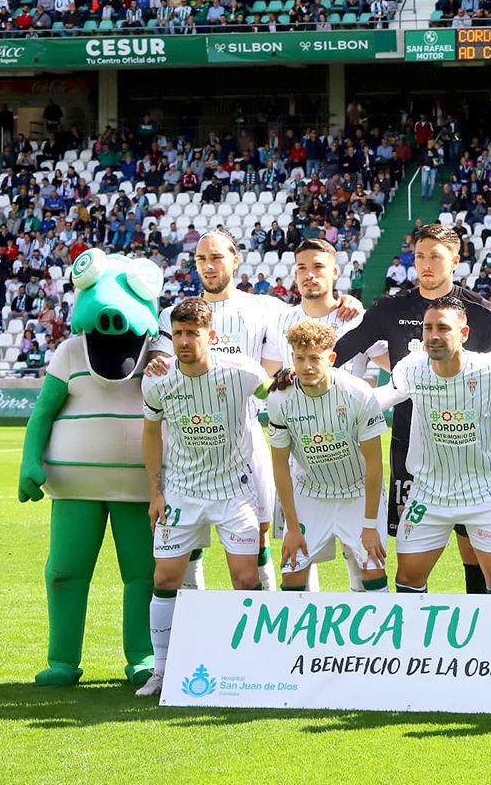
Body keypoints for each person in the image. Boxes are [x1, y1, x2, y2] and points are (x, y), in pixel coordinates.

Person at [317, 224, 491, 595]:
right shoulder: (393, 307)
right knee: (411, 552)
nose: (426, 264)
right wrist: (314, 371)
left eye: (435, 255)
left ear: (455, 260)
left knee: (472, 548)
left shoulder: (481, 313)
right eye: (419, 256)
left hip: (469, 452)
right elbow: (351, 343)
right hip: (410, 445)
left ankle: (475, 628)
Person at [145, 230, 364, 590]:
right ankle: (191, 633)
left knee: (258, 538)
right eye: (201, 259)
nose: (209, 266)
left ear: (235, 259)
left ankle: (261, 633)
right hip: (186, 444)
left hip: (246, 440)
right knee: (186, 548)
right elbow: (160, 363)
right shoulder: (176, 314)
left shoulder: (265, 308)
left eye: (216, 257)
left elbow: (314, 315)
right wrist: (155, 362)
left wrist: (348, 302)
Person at [136, 297, 273, 697]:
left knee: (245, 578)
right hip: (181, 491)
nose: (183, 341)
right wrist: (155, 492)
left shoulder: (242, 371)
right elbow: (149, 434)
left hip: (234, 492)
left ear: (210, 335)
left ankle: (254, 663)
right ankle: (161, 671)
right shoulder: (158, 379)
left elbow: (280, 392)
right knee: (164, 577)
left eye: (192, 333)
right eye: (177, 333)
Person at [376, 297, 491, 594]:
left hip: (483, 493)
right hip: (428, 493)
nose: (433, 335)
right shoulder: (411, 368)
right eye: (428, 328)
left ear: (463, 334)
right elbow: (383, 397)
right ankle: (417, 640)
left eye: (443, 328)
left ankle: (489, 641)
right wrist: (333, 395)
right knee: (408, 581)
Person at [266, 320, 389, 593]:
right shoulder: (279, 398)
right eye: (299, 358)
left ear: (331, 359)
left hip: (357, 493)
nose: (306, 366)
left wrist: (370, 525)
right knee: (292, 574)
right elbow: (280, 467)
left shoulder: (358, 394)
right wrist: (293, 527)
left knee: (373, 568)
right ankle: (296, 636)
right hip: (310, 492)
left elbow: (374, 463)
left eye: (315, 358)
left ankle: (376, 635)